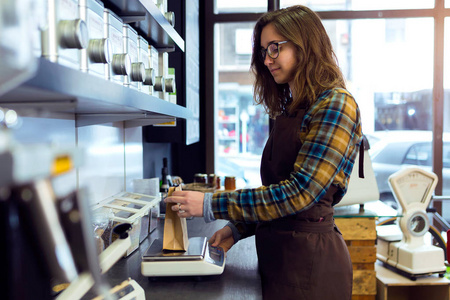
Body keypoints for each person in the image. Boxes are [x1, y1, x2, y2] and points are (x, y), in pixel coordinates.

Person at [165, 5, 362, 300]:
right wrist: (240, 228)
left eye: (275, 48)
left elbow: (299, 194)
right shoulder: (294, 109)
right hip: (282, 258)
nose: (267, 60)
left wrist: (211, 204)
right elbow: (276, 191)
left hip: (312, 267)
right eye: (263, 51)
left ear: (305, 44)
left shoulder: (336, 105)